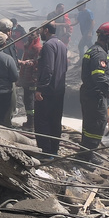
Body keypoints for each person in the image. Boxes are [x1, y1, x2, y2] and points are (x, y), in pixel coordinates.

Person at [80, 22, 109, 152]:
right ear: (107, 38)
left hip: (88, 93)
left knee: (89, 124)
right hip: (95, 96)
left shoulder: (92, 50)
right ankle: (89, 154)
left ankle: (85, 151)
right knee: (97, 124)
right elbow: (99, 77)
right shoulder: (100, 54)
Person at [34, 22, 68, 156]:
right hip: (59, 89)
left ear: (46, 30)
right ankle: (54, 150)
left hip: (47, 90)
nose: (40, 33)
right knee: (55, 120)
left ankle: (45, 152)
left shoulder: (48, 45)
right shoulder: (61, 45)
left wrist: (40, 88)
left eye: (41, 30)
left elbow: (48, 69)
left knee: (42, 121)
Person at [18, 28, 42, 132]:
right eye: (29, 34)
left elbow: (37, 63)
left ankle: (31, 122)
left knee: (30, 100)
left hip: (32, 79)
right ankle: (29, 121)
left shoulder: (37, 47)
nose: (29, 36)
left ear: (37, 36)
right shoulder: (28, 44)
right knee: (27, 100)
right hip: (25, 76)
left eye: (32, 34)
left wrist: (26, 63)